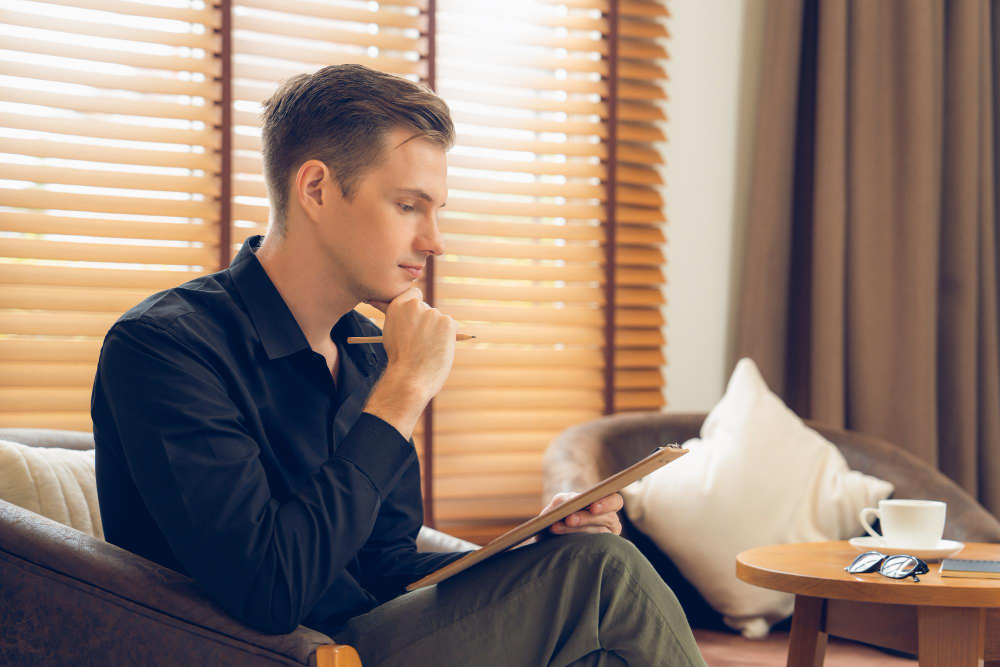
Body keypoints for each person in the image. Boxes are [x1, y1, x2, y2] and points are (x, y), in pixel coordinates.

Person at [92, 64, 707, 667]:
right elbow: (269, 591)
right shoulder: (164, 348)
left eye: (437, 209)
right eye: (409, 206)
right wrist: (404, 390)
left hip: (370, 635)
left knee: (594, 625)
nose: (435, 240)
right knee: (606, 577)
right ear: (315, 189)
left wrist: (535, 555)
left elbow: (387, 568)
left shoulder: (364, 350)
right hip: (274, 650)